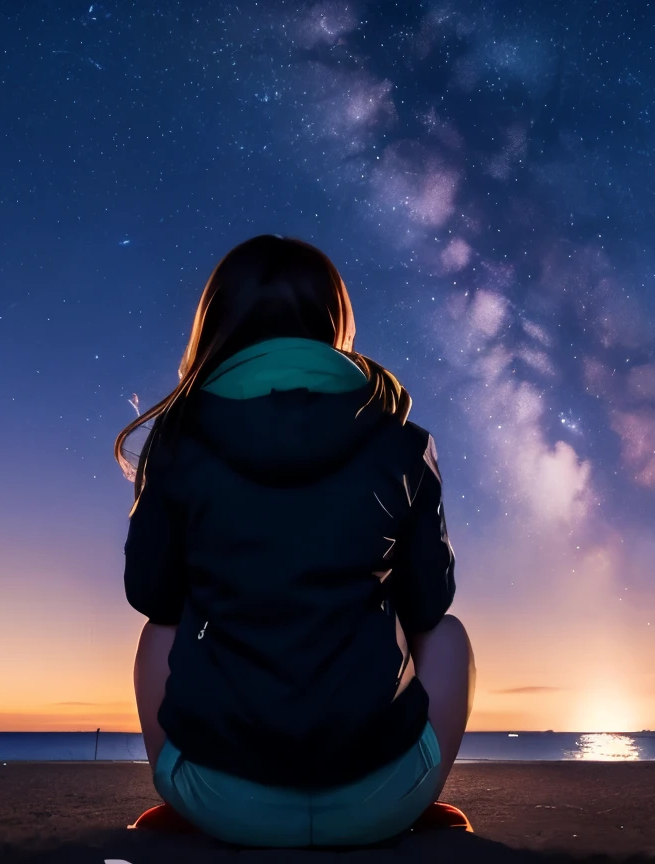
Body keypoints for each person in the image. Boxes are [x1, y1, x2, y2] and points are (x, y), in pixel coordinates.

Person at [114, 235, 474, 848]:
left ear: (216, 323)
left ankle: (184, 790)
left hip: (223, 803)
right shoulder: (401, 442)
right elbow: (429, 604)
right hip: (380, 802)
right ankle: (412, 791)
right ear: (336, 320)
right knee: (447, 634)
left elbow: (151, 593)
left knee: (159, 631)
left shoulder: (178, 439)